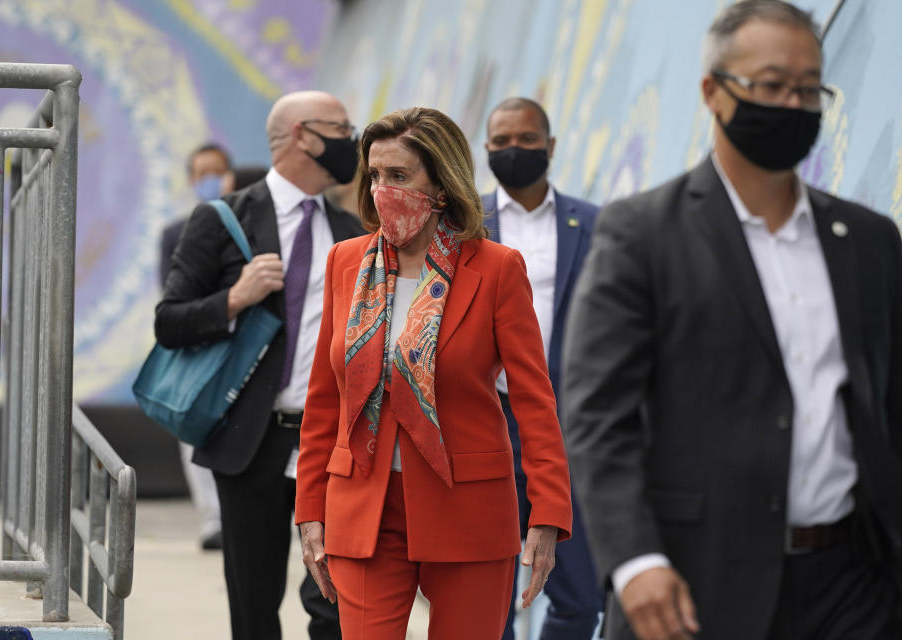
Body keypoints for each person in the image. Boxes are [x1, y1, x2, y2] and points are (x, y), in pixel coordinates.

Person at [560, 2, 902, 639]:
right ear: (713, 92)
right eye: (772, 85)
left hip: (853, 587)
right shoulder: (642, 234)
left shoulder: (869, 241)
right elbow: (597, 414)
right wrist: (635, 561)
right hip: (694, 585)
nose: (794, 105)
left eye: (808, 89)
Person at [295, 106, 574, 640]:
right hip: (364, 509)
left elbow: (535, 400)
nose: (382, 189)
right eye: (374, 175)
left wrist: (547, 511)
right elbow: (325, 399)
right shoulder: (345, 263)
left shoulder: (496, 268)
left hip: (468, 507)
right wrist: (310, 507)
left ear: (441, 185)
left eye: (398, 176)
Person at [155, 91, 365, 640]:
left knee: (336, 602)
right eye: (342, 128)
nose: (353, 140)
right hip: (252, 442)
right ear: (302, 136)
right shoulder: (223, 220)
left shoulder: (353, 231)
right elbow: (170, 321)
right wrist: (234, 299)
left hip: (333, 443)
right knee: (253, 604)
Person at [481, 97, 603, 640]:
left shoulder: (594, 225)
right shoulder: (461, 226)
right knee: (489, 596)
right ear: (485, 149)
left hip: (566, 426)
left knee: (580, 596)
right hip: (486, 423)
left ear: (550, 146)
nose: (514, 151)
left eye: (527, 140)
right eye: (501, 142)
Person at [159, 142, 236, 551]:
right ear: (191, 180)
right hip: (193, 347)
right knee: (193, 434)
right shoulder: (175, 233)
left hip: (238, 346)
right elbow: (169, 298)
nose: (209, 179)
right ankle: (212, 521)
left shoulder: (248, 226)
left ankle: (236, 519)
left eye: (217, 171)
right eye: (201, 172)